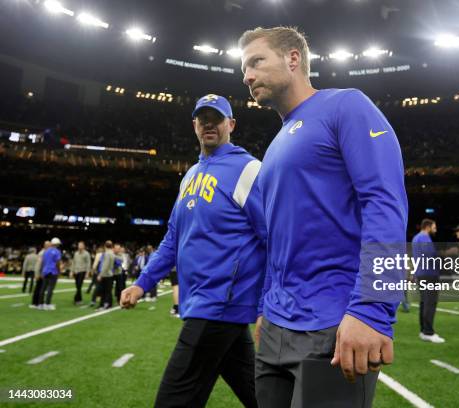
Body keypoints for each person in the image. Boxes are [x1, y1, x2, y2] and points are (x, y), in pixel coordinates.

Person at [240, 26, 408, 407]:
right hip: (276, 329)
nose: (247, 76)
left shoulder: (345, 106)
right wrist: (266, 306)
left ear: (293, 58)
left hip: (335, 325)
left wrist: (372, 308)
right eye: (244, 69)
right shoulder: (276, 144)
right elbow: (277, 238)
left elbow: (384, 204)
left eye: (256, 61)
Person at [121, 93, 266, 408]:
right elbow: (174, 237)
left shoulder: (249, 170)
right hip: (211, 307)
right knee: (263, 398)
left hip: (218, 305)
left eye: (216, 118)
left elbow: (274, 240)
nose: (209, 124)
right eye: (203, 118)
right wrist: (142, 282)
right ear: (194, 125)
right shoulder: (190, 175)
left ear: (232, 124)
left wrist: (266, 306)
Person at [412, 219, 445, 343]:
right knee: (430, 303)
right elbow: (430, 255)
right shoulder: (424, 237)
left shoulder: (416, 238)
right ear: (428, 226)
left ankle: (423, 330)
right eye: (434, 227)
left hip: (421, 273)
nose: (435, 229)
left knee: (424, 303)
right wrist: (444, 254)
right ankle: (428, 332)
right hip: (429, 274)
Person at [39, 237, 62, 310]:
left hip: (45, 271)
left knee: (43, 288)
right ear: (57, 244)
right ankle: (47, 304)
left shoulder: (46, 251)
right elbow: (58, 263)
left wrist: (42, 271)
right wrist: (59, 271)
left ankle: (40, 304)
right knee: (50, 288)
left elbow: (43, 262)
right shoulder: (57, 251)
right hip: (53, 271)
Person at [29, 241, 50, 309]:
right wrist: (37, 274)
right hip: (41, 273)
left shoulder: (46, 252)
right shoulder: (42, 253)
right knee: (39, 288)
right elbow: (38, 264)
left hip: (44, 273)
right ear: (45, 246)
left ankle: (38, 302)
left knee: (41, 288)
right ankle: (36, 302)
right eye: (48, 245)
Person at [96, 240, 115, 310]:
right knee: (108, 291)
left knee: (104, 291)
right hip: (110, 274)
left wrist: (100, 275)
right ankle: (109, 304)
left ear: (105, 246)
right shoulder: (112, 253)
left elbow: (105, 265)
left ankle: (103, 304)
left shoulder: (106, 253)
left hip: (105, 274)